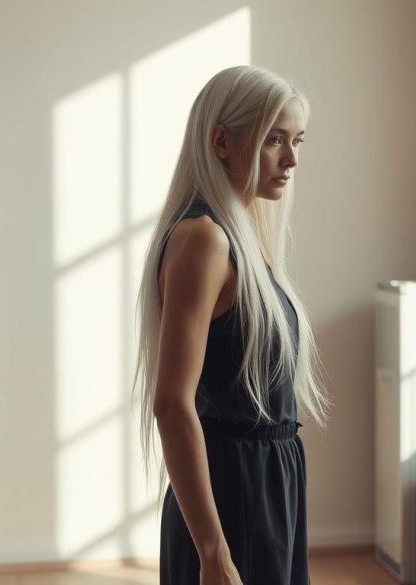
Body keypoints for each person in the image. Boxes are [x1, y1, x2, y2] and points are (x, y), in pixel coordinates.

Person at [132, 65, 333, 585]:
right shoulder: (205, 239)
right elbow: (171, 404)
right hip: (234, 497)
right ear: (221, 141)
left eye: (298, 141)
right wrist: (213, 554)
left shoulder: (241, 236)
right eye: (274, 140)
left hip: (268, 489)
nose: (292, 160)